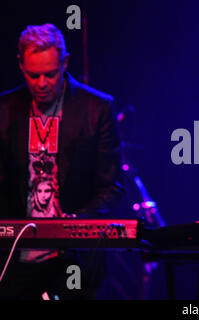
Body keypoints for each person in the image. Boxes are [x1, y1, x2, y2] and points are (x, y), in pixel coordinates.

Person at [0, 23, 123, 299]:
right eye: (33, 75)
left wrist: (77, 223)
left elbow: (112, 187)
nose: (42, 83)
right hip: (14, 259)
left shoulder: (97, 108)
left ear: (65, 63)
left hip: (73, 258)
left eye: (51, 74)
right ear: (20, 65)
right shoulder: (5, 110)